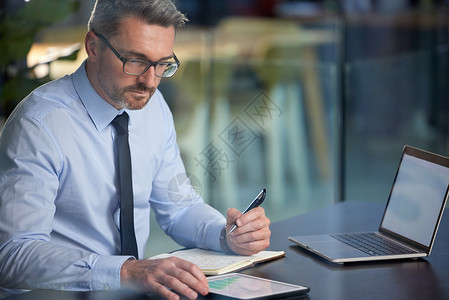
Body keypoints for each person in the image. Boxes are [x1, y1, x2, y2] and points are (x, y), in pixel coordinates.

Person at [0, 1, 271, 299]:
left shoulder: (152, 107)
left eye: (162, 64)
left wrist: (226, 235)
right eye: (135, 61)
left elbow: (179, 207)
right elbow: (13, 254)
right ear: (93, 46)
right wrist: (127, 272)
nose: (150, 81)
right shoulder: (39, 125)